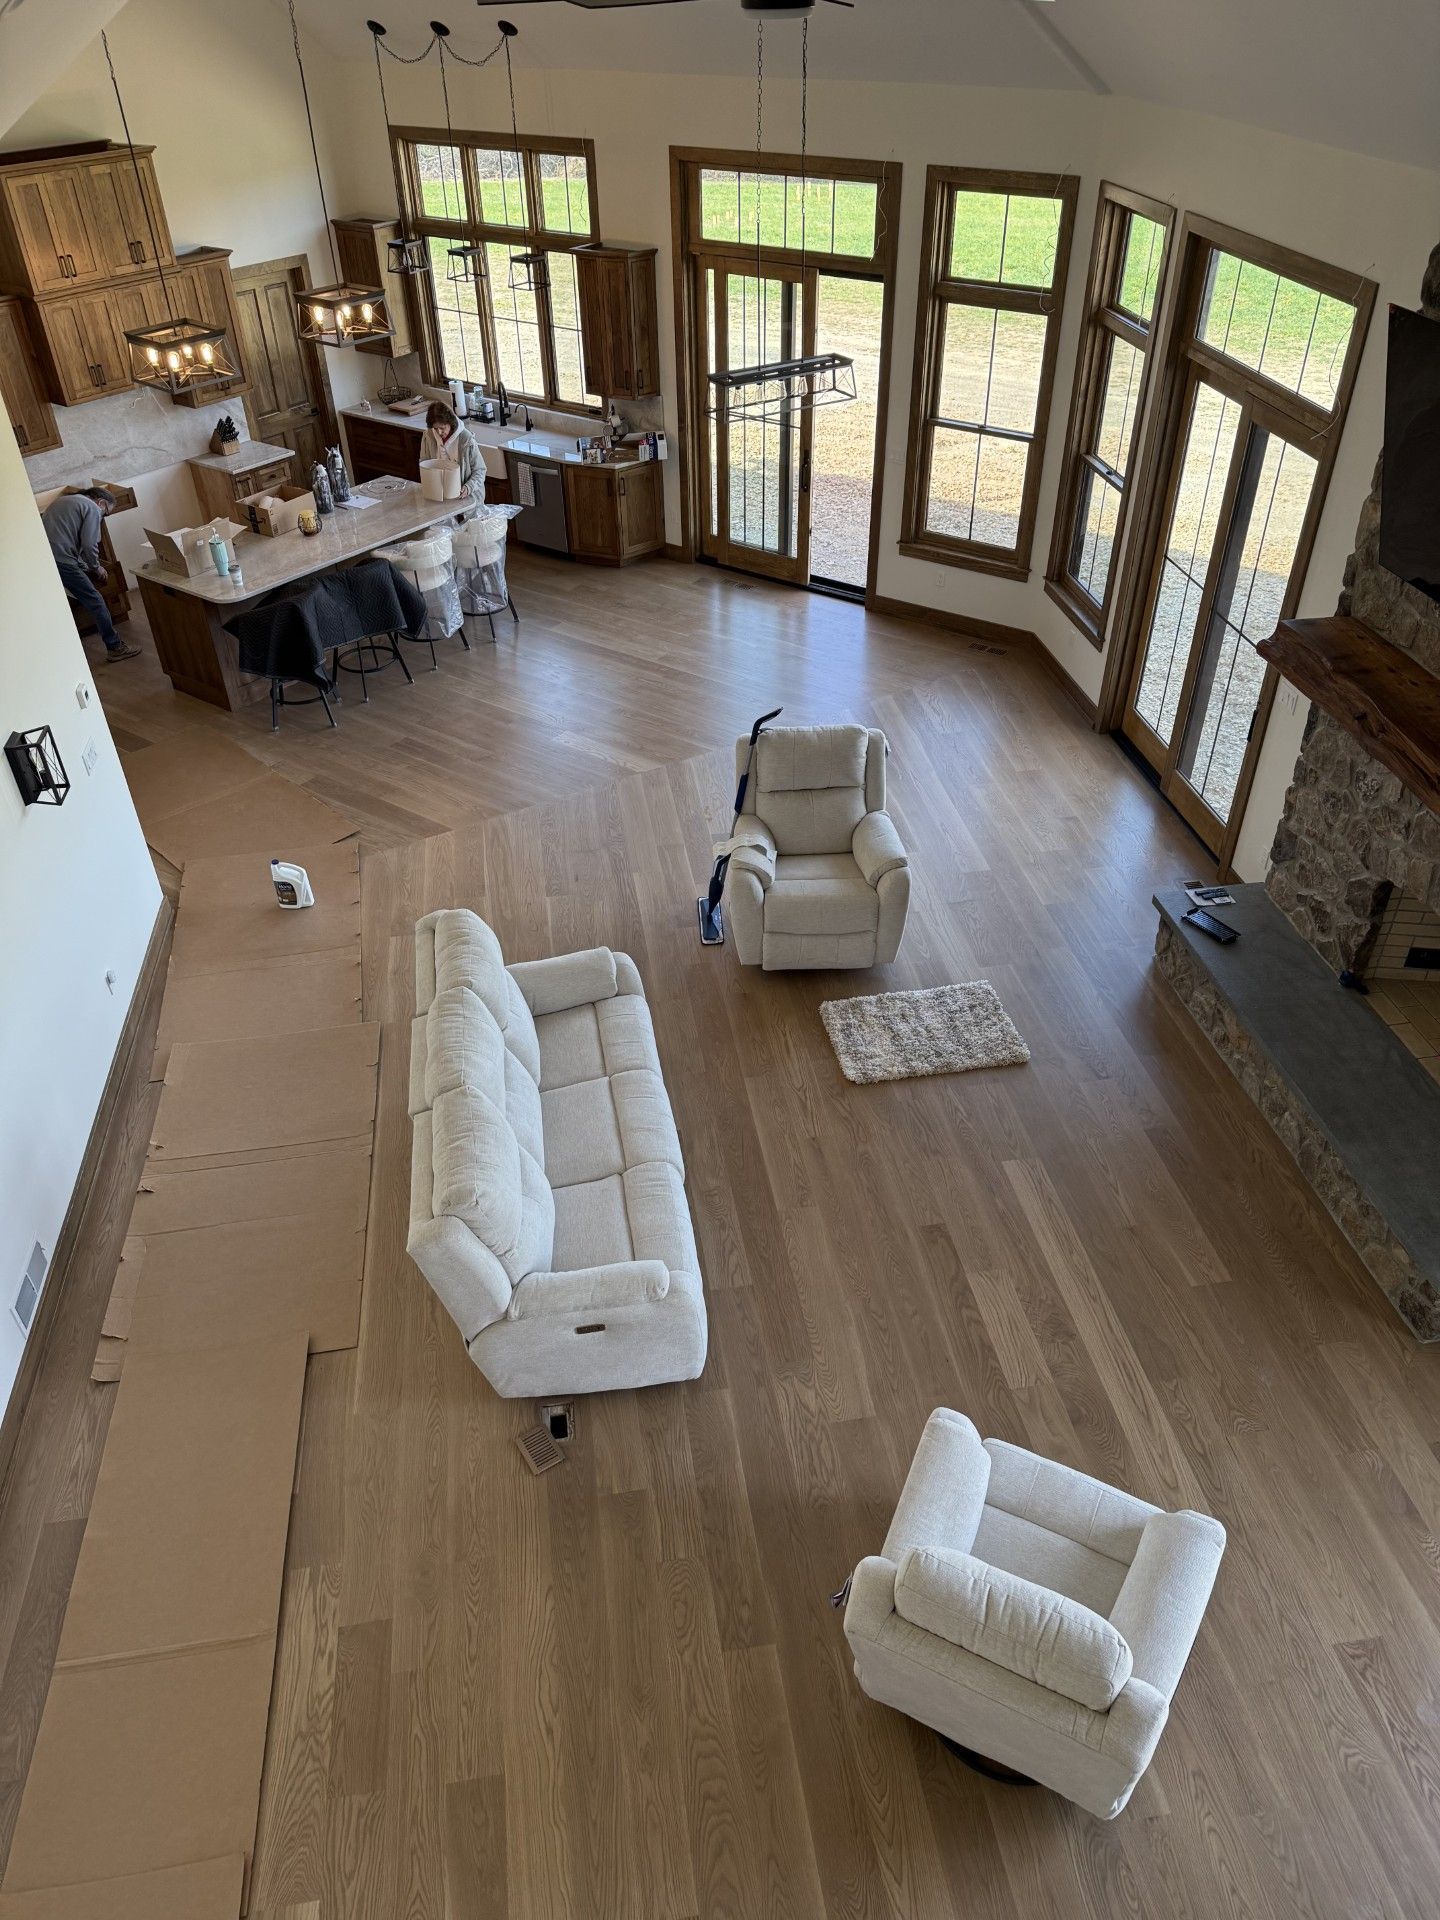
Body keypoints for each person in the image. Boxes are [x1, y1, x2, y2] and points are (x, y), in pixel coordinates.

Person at [41, 486, 141, 663]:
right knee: (96, 602)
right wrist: (95, 567)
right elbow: (89, 544)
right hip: (63, 561)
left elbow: (64, 539)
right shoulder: (92, 508)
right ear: (101, 503)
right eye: (106, 514)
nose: (103, 518)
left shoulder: (63, 501)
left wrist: (83, 564)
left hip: (47, 559)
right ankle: (115, 647)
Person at [419, 401, 482, 501]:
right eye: (435, 428)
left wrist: (468, 487)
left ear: (450, 423)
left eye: (442, 428)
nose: (439, 432)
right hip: (438, 496)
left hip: (465, 497)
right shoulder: (428, 436)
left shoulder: (466, 440)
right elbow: (424, 463)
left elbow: (480, 470)